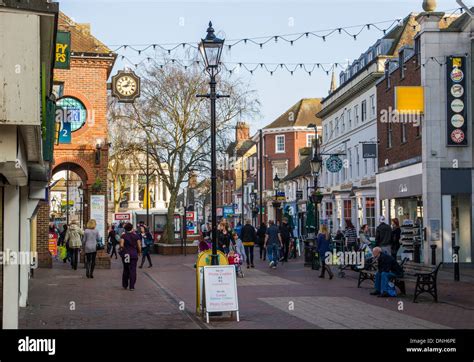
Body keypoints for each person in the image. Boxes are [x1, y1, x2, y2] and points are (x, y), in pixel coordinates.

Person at [119, 223, 141, 291]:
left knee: (126, 269)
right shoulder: (136, 236)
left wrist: (121, 248)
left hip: (126, 255)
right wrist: (139, 252)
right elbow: (139, 246)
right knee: (133, 270)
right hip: (134, 254)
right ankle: (132, 286)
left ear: (125, 229)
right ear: (132, 228)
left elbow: (121, 245)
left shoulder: (123, 236)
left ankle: (125, 285)